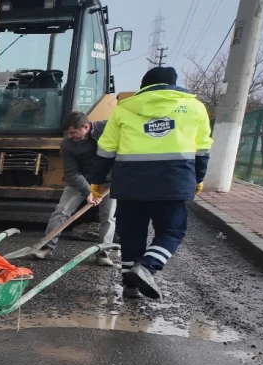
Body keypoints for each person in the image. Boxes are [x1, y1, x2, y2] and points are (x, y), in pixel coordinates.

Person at [88, 67, 212, 299]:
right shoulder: (194, 107)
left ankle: (130, 285)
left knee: (131, 233)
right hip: (173, 183)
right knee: (173, 231)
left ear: (144, 86)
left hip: (130, 184)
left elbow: (106, 150)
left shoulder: (124, 109)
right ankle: (147, 267)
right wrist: (199, 177)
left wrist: (96, 182)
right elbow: (202, 148)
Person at [29, 111, 116, 267]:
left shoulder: (108, 128)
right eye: (68, 133)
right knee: (62, 211)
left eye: (73, 132)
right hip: (81, 180)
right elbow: (72, 173)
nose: (70, 136)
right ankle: (46, 246)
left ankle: (103, 253)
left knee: (108, 216)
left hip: (107, 180)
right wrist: (88, 192)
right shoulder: (67, 144)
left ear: (86, 126)